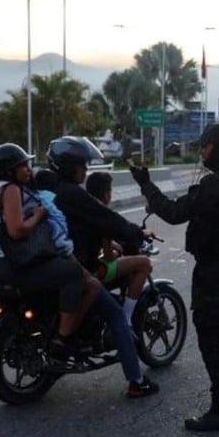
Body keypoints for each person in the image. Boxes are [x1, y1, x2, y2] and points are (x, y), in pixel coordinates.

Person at [130, 123, 219, 432]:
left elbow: (174, 212)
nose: (202, 151)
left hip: (214, 269)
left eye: (204, 146)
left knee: (213, 339)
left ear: (215, 147)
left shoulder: (215, 184)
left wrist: (146, 185)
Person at [39, 136, 159, 399]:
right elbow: (110, 221)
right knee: (116, 316)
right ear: (70, 166)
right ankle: (137, 382)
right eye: (81, 165)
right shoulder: (73, 195)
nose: (84, 170)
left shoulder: (42, 186)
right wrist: (138, 234)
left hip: (47, 265)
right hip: (78, 267)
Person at [0, 143, 100, 359]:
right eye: (23, 166)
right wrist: (39, 215)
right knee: (73, 274)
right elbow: (17, 231)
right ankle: (63, 338)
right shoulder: (11, 190)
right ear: (10, 171)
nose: (28, 170)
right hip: (1, 262)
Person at [85, 171, 153, 328]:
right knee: (144, 263)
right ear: (106, 193)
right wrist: (117, 251)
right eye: (110, 191)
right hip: (96, 269)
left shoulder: (84, 208)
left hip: (81, 265)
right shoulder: (103, 214)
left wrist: (113, 244)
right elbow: (109, 257)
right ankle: (127, 318)